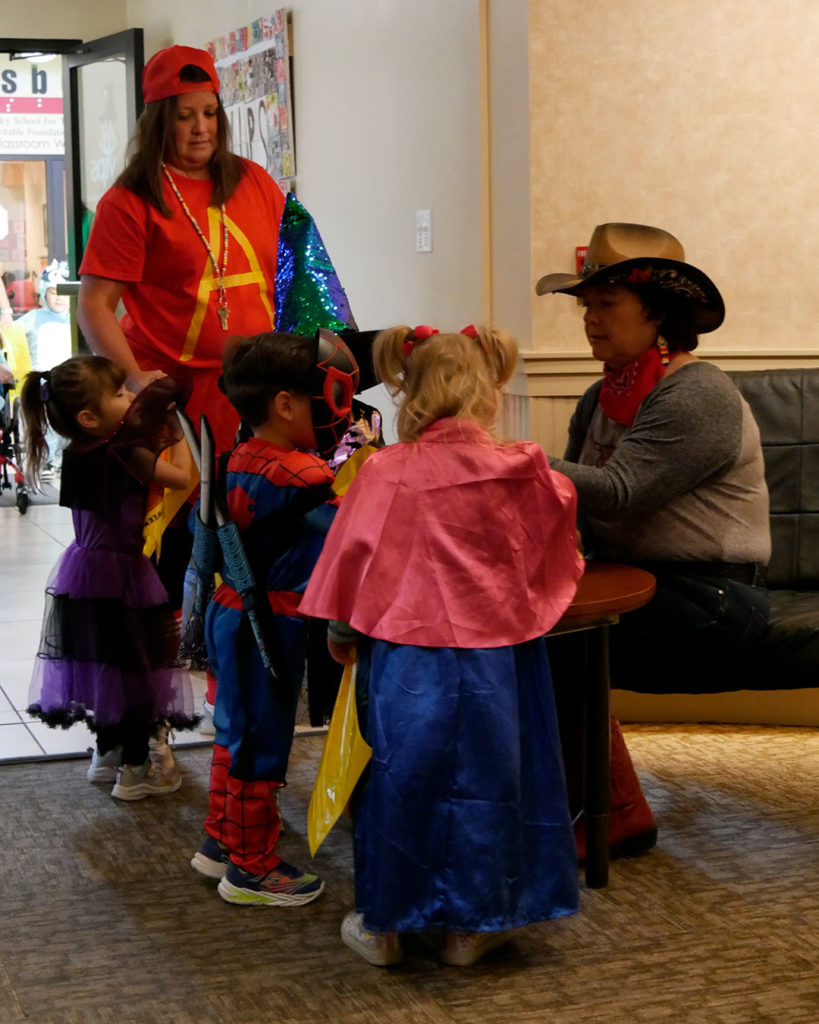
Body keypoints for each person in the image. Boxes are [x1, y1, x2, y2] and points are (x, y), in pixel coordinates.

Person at [300, 324, 584, 967]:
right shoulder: (522, 469)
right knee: (491, 784)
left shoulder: (385, 473)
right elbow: (553, 543)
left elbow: (354, 563)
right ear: (490, 390)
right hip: (497, 659)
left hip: (407, 658)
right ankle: (471, 927)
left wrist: (342, 635)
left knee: (399, 783)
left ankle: (385, 926)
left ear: (409, 391)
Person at [536, 222, 771, 858]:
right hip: (629, 582)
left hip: (714, 597)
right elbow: (572, 506)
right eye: (587, 305)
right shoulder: (599, 394)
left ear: (659, 313)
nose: (589, 319)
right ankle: (564, 804)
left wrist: (509, 460)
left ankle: (613, 811)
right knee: (523, 620)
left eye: (607, 304)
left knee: (560, 637)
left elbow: (619, 490)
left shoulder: (697, 393)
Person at [190, 328, 359, 908]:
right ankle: (252, 868)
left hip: (228, 611)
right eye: (328, 395)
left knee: (235, 733)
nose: (336, 408)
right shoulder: (301, 476)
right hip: (270, 623)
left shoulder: (235, 457)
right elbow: (349, 538)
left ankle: (222, 840)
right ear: (286, 404)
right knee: (260, 744)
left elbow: (201, 539)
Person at [21, 354, 199, 800]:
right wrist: (177, 429)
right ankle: (136, 771)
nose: (132, 398)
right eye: (120, 393)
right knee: (137, 672)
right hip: (124, 576)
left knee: (105, 668)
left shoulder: (79, 451)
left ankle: (106, 754)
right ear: (88, 416)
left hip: (83, 572)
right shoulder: (125, 453)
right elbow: (182, 478)